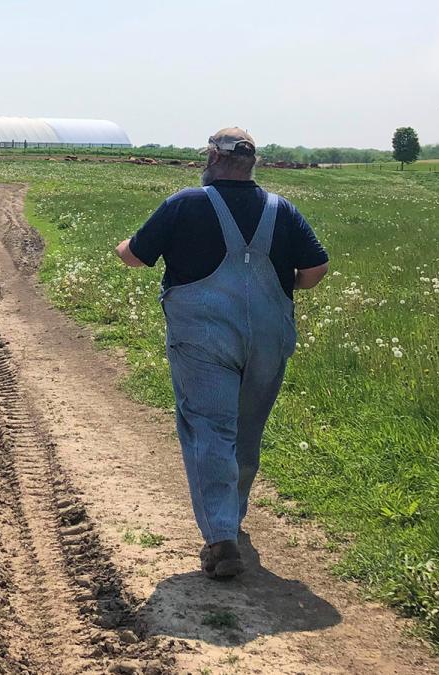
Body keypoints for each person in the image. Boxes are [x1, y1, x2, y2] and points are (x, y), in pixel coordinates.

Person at [115, 128, 329, 579]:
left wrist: (123, 246)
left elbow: (135, 257)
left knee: (210, 429)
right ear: (252, 162)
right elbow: (314, 270)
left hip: (205, 341)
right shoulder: (281, 209)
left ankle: (220, 538)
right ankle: (233, 515)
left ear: (214, 156)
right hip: (269, 339)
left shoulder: (185, 203)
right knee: (247, 430)